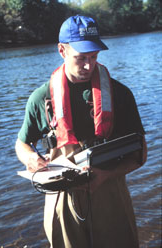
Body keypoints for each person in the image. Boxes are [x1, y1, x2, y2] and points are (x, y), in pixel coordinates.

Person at [15, 15, 147, 248]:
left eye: (94, 57)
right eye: (81, 58)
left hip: (110, 192)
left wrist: (105, 176)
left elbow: (140, 154)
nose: (89, 65)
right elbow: (21, 144)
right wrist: (30, 158)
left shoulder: (121, 94)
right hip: (61, 199)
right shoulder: (40, 98)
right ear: (61, 50)